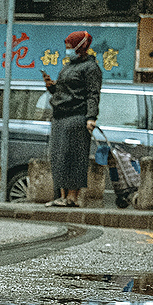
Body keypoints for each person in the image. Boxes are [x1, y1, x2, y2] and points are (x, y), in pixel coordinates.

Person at [42, 30, 101, 208]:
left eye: (69, 47)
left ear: (80, 47)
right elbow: (63, 91)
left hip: (76, 117)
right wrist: (51, 86)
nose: (67, 50)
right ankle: (61, 195)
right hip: (59, 116)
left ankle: (72, 197)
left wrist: (91, 117)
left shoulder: (91, 68)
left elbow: (93, 94)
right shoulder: (68, 66)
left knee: (74, 157)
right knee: (59, 157)